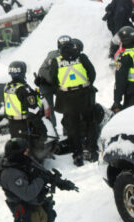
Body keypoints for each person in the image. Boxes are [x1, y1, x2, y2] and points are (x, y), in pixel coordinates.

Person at [0, 138, 78, 222]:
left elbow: (43, 172)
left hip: (40, 207)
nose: (27, 153)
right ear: (17, 154)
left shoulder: (25, 161)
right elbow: (28, 194)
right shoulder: (11, 173)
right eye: (25, 151)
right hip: (27, 212)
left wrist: (60, 182)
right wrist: (41, 179)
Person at [49, 35, 98, 166]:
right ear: (73, 44)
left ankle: (77, 155)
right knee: (90, 122)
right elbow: (92, 73)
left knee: (73, 128)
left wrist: (62, 89)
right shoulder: (82, 57)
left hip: (68, 98)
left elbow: (53, 80)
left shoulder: (56, 61)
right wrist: (87, 84)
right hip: (84, 95)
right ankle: (92, 150)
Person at [4, 61, 49, 156]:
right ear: (22, 72)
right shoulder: (23, 89)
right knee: (27, 150)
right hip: (24, 124)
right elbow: (33, 111)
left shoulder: (7, 87)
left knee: (17, 148)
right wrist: (42, 130)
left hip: (13, 125)